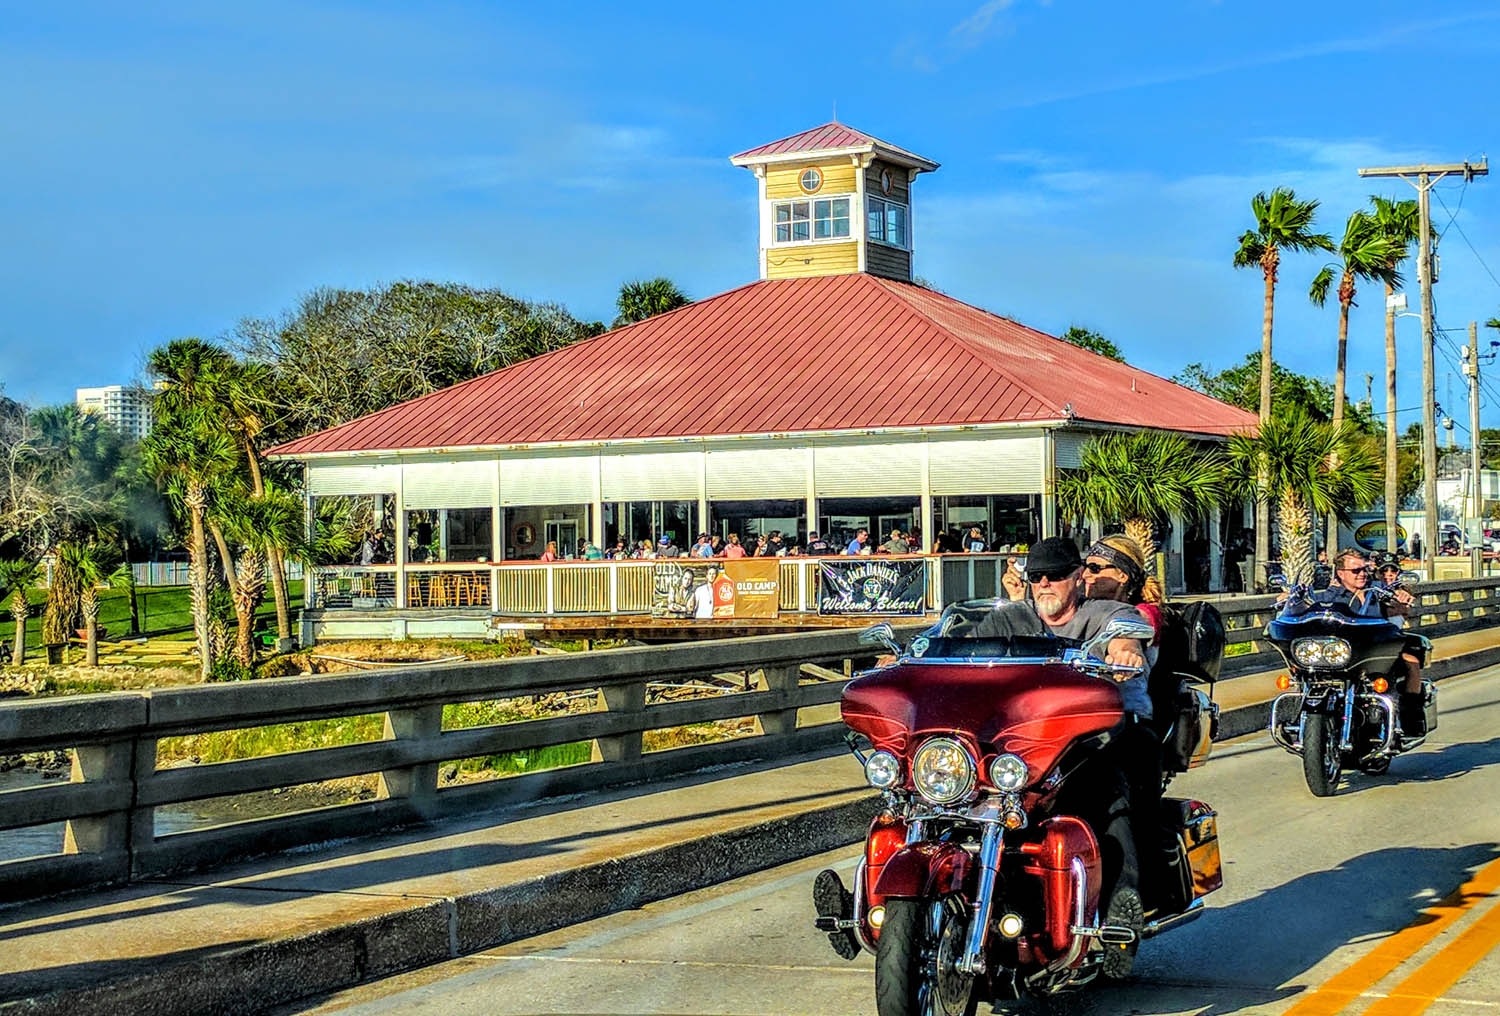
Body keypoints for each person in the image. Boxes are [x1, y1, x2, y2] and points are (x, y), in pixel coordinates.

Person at [972, 537, 1151, 974]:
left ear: (1078, 577)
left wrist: (1124, 649)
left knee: (1104, 795)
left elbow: (1126, 633)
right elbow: (959, 642)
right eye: (1036, 577)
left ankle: (1119, 917)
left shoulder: (1103, 615)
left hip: (1102, 733)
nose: (1044, 584)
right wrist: (908, 656)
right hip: (1026, 739)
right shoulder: (1014, 616)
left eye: (1054, 575)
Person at [1293, 548, 1425, 735]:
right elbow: (1309, 605)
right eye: (1356, 571)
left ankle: (1411, 720)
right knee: (1301, 672)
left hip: (1374, 651)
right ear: (1341, 573)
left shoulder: (1377, 589)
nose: (1362, 574)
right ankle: (1301, 719)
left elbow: (1396, 596)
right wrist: (1290, 599)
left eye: (1364, 569)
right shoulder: (1331, 595)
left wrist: (1402, 595)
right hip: (1344, 654)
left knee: (1411, 662)